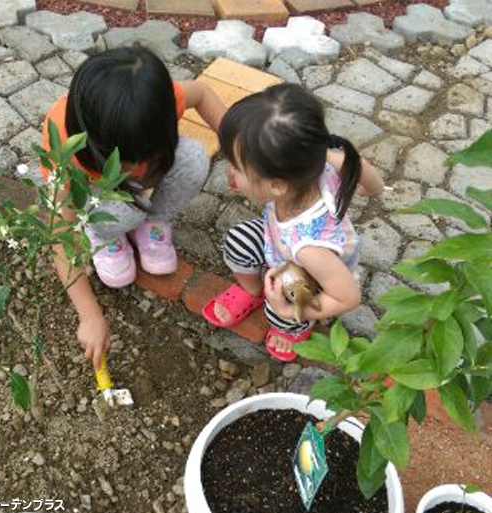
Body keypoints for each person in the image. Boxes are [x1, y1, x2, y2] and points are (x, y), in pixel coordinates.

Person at [40, 46, 226, 369]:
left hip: (125, 181)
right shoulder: (66, 152)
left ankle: (153, 224)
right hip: (97, 193)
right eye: (129, 160)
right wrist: (90, 315)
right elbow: (60, 238)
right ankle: (104, 235)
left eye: (147, 155)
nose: (140, 169)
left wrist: (246, 151)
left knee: (193, 159)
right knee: (127, 210)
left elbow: (204, 92)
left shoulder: (154, 103)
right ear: (96, 145)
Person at [203, 83, 384, 361]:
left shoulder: (309, 250)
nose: (229, 172)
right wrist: (324, 154)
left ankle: (292, 325)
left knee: (283, 301)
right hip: (279, 245)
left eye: (236, 167)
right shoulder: (316, 168)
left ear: (277, 186)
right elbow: (373, 186)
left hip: (309, 274)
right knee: (239, 240)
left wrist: (292, 310)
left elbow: (349, 297)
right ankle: (251, 290)